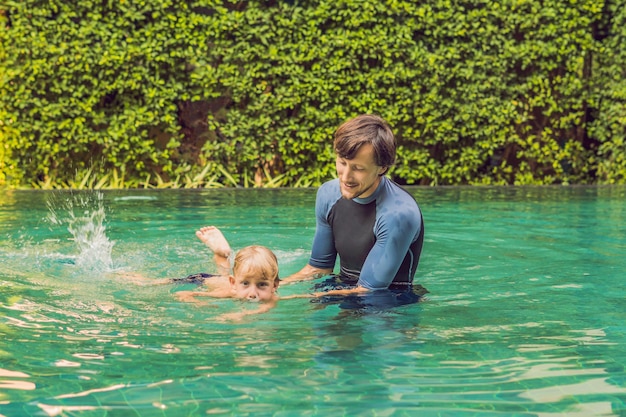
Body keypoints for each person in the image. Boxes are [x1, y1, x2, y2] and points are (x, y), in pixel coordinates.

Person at [283, 114, 425, 298]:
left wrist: (285, 299)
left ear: (382, 168)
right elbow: (318, 269)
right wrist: (269, 287)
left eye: (358, 168)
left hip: (389, 303)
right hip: (343, 288)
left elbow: (368, 292)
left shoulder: (398, 214)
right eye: (342, 163)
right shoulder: (328, 195)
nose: (345, 176)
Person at [122, 226, 281, 320]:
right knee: (160, 282)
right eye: (246, 284)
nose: (252, 293)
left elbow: (263, 309)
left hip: (225, 279)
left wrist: (239, 315)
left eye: (262, 285)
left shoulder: (272, 297)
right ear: (234, 284)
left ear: (274, 285)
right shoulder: (228, 291)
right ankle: (143, 279)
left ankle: (222, 254)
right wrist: (200, 304)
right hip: (201, 279)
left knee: (224, 273)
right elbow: (184, 293)